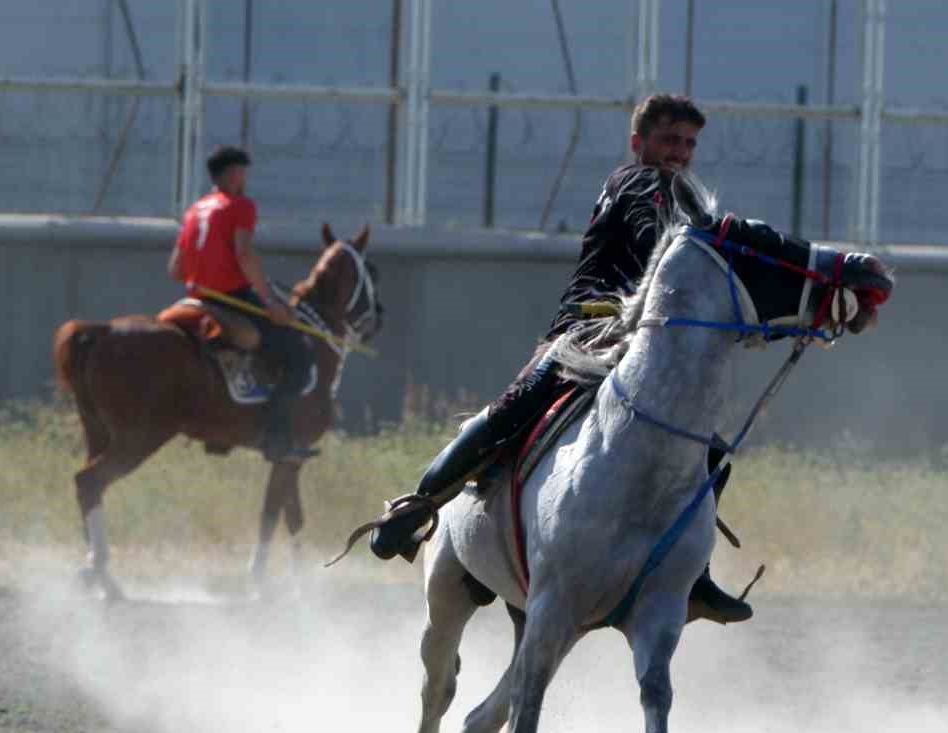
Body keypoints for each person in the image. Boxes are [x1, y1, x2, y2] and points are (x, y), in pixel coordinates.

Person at [368, 93, 753, 625]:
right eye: (669, 141)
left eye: (688, 144)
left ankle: (693, 571)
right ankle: (417, 504)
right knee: (514, 408)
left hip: (645, 340)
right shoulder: (635, 183)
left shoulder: (687, 198)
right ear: (638, 143)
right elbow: (653, 234)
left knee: (701, 444)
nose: (679, 153)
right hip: (584, 332)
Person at [169, 145, 313, 462]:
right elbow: (245, 255)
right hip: (232, 299)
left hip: (196, 298)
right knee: (298, 357)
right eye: (243, 172)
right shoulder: (240, 206)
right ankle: (277, 439)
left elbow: (176, 269)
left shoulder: (194, 211)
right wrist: (271, 301)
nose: (245, 179)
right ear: (234, 173)